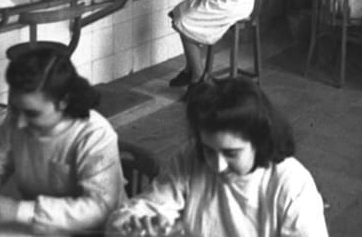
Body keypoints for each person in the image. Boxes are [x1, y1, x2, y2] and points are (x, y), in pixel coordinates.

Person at [106, 77, 329, 236]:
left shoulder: (291, 185)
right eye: (209, 150)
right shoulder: (192, 157)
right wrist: (132, 225)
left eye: (232, 153)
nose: (218, 166)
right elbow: (142, 208)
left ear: (259, 142)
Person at [0, 46, 125, 234]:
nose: (20, 123)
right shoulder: (17, 122)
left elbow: (100, 208)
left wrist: (19, 211)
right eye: (14, 109)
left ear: (63, 102)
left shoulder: (93, 135)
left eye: (32, 113)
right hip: (43, 228)